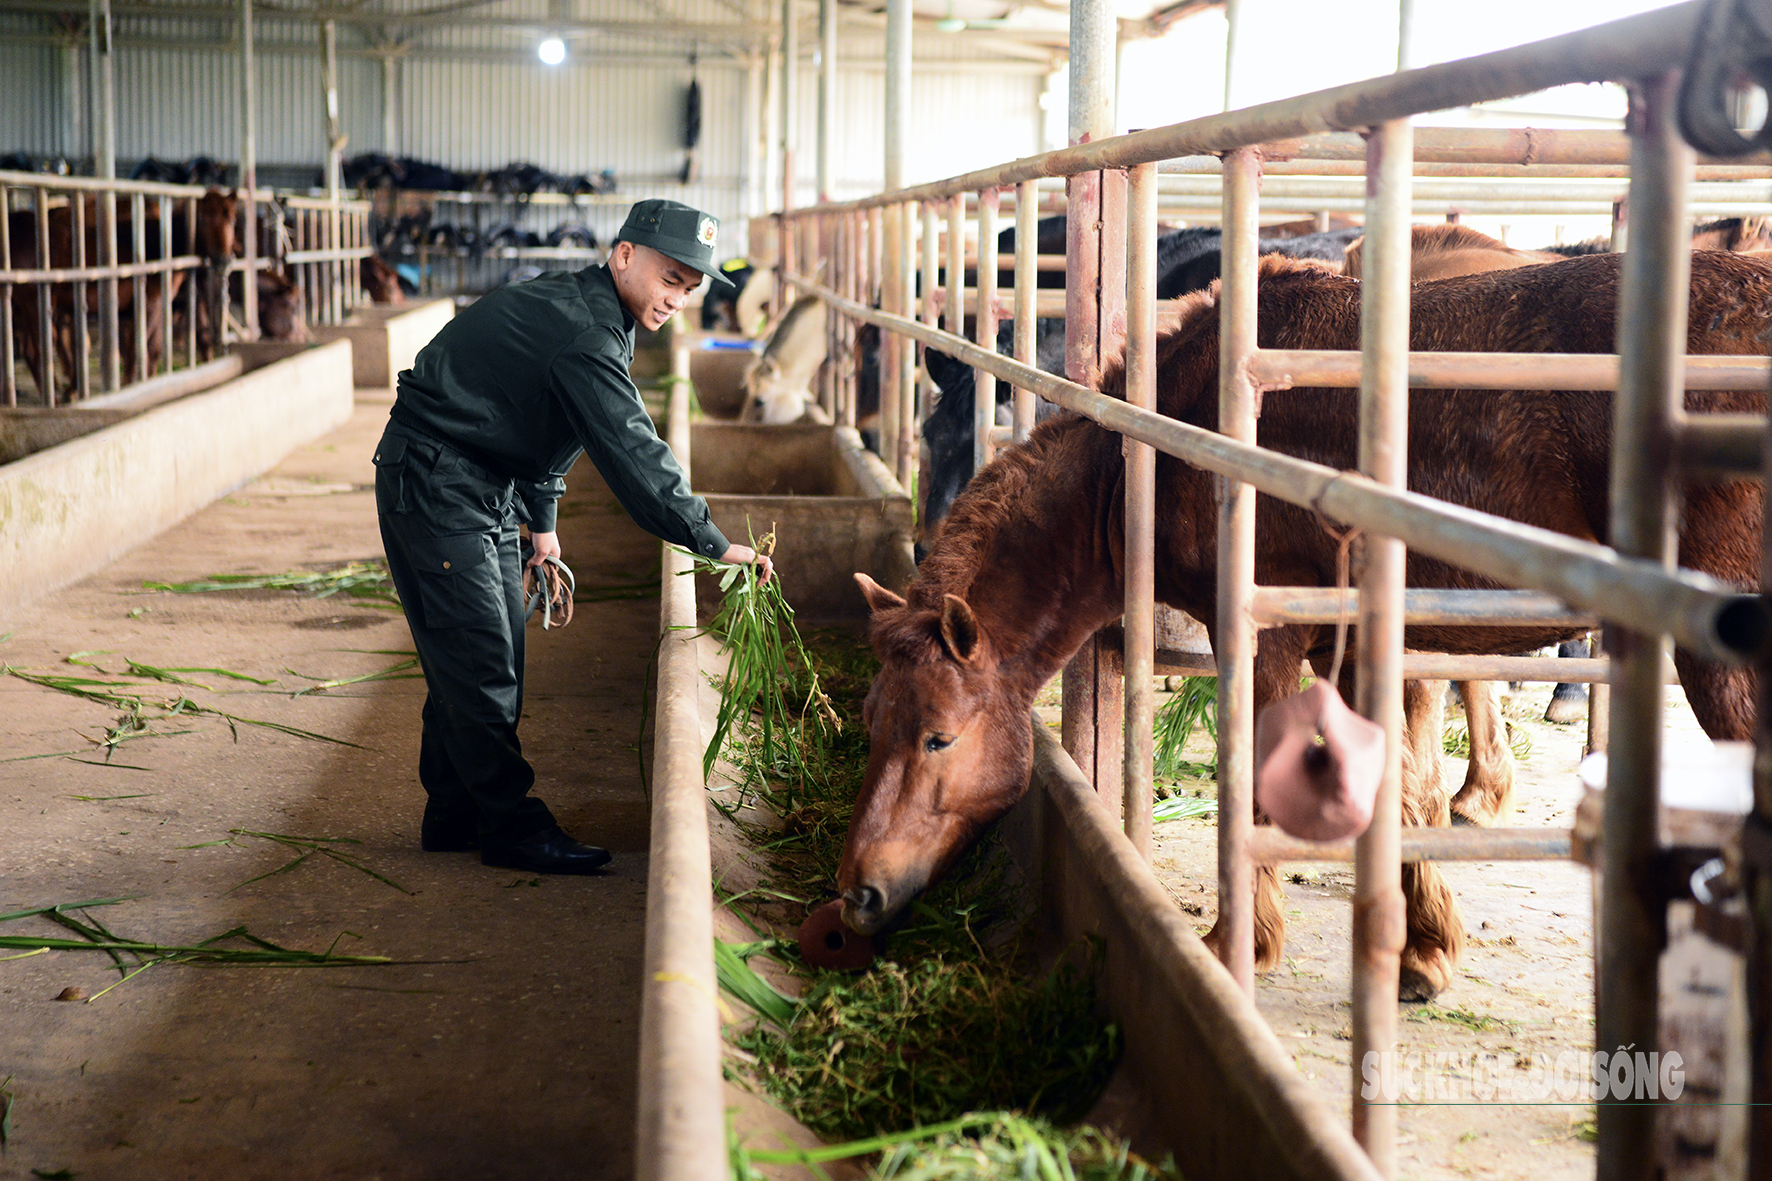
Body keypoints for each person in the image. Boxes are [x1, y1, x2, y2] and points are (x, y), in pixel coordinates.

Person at [373, 198, 774, 875]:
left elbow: (546, 428)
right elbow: (631, 451)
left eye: (691, 286)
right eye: (670, 278)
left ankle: (453, 813)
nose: (678, 298)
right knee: (479, 658)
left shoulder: (598, 315)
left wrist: (545, 528)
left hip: (482, 482)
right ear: (625, 256)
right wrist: (713, 541)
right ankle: (511, 826)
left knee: (492, 649)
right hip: (440, 481)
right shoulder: (586, 329)